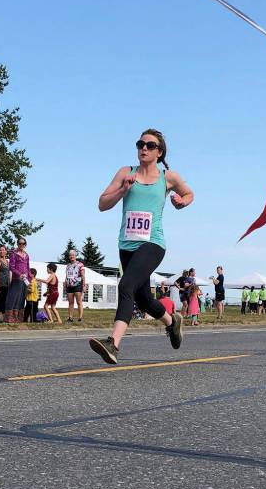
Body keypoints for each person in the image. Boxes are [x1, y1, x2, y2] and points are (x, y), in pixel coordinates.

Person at [88, 128, 192, 364]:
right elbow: (102, 204)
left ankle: (113, 344)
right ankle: (172, 321)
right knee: (143, 299)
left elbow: (189, 193)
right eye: (140, 144)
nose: (143, 148)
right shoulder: (126, 173)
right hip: (127, 245)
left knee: (126, 285)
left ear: (159, 151)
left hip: (152, 243)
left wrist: (181, 201)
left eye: (150, 145)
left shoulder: (168, 177)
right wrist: (123, 190)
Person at [5, 237, 31, 323]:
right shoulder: (14, 254)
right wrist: (19, 274)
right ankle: (9, 317)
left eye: (23, 243)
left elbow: (28, 267)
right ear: (17, 244)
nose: (21, 245)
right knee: (13, 298)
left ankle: (18, 318)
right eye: (20, 243)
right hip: (17, 279)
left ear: (25, 245)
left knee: (21, 298)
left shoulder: (26, 255)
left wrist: (29, 279)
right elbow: (11, 267)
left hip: (25, 280)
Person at [64, 249, 86, 323]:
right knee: (70, 302)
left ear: (76, 256)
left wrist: (84, 285)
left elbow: (83, 275)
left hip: (78, 285)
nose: (71, 256)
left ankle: (80, 318)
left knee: (79, 302)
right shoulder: (68, 266)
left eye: (73, 255)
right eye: (70, 255)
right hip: (69, 286)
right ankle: (70, 317)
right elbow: (66, 276)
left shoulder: (80, 264)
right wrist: (65, 285)